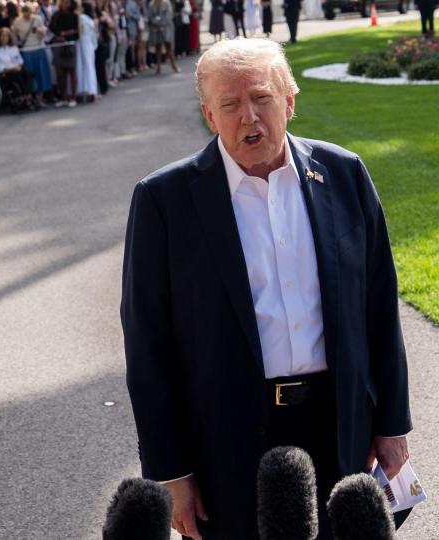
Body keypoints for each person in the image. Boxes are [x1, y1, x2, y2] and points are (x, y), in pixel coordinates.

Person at [121, 37, 413, 540]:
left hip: (339, 426)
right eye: (230, 105)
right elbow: (148, 348)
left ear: (290, 102)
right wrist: (171, 473)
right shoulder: (164, 201)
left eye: (261, 98)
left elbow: (380, 309)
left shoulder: (344, 175)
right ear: (209, 115)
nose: (248, 117)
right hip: (224, 440)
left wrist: (391, 425)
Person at [12, 3, 51, 107]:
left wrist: (38, 30)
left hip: (38, 48)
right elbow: (14, 35)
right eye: (25, 12)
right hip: (26, 50)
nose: (27, 15)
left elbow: (44, 31)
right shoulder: (17, 21)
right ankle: (29, 99)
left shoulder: (37, 19)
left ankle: (40, 99)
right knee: (29, 75)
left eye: (28, 12)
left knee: (41, 75)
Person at [0, 27, 38, 109]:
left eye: (6, 36)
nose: (4, 38)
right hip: (5, 73)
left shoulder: (13, 48)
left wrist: (18, 66)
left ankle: (28, 95)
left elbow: (20, 60)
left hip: (17, 69)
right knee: (16, 75)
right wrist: (12, 69)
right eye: (2, 36)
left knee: (28, 73)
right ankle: (26, 96)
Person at [48, 0, 78, 107]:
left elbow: (78, 31)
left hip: (70, 45)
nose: (65, 4)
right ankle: (63, 97)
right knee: (60, 73)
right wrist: (58, 36)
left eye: (67, 2)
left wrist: (67, 34)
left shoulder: (74, 16)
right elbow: (51, 28)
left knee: (72, 71)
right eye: (63, 2)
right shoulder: (56, 15)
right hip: (58, 46)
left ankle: (73, 97)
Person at [76, 1, 99, 100]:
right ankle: (91, 90)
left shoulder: (82, 18)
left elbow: (81, 32)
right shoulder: (90, 20)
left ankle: (85, 90)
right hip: (89, 45)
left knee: (83, 67)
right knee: (89, 67)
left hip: (83, 44)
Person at [146, 0, 176, 72]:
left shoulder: (166, 3)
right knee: (158, 47)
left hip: (166, 28)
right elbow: (150, 16)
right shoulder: (152, 4)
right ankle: (158, 67)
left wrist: (162, 23)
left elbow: (169, 15)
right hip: (156, 29)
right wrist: (156, 23)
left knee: (168, 47)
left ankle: (174, 66)